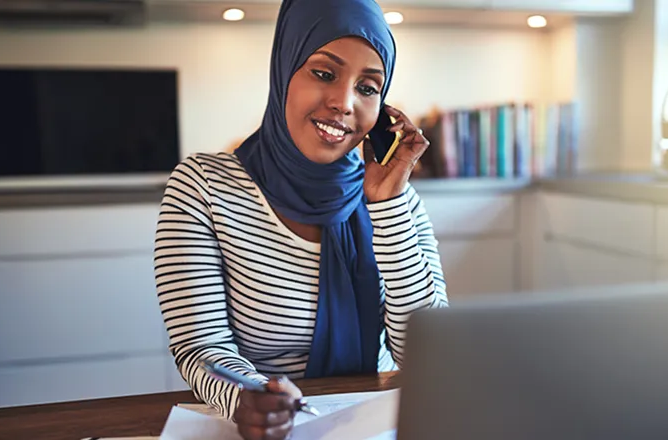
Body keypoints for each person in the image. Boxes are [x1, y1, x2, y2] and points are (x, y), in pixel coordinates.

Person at [153, 0, 448, 438]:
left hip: (378, 425)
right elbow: (202, 347)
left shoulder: (393, 196)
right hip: (268, 427)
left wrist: (387, 207)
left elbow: (428, 359)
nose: (344, 103)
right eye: (324, 74)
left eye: (368, 88)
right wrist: (250, 398)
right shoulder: (204, 187)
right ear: (284, 70)